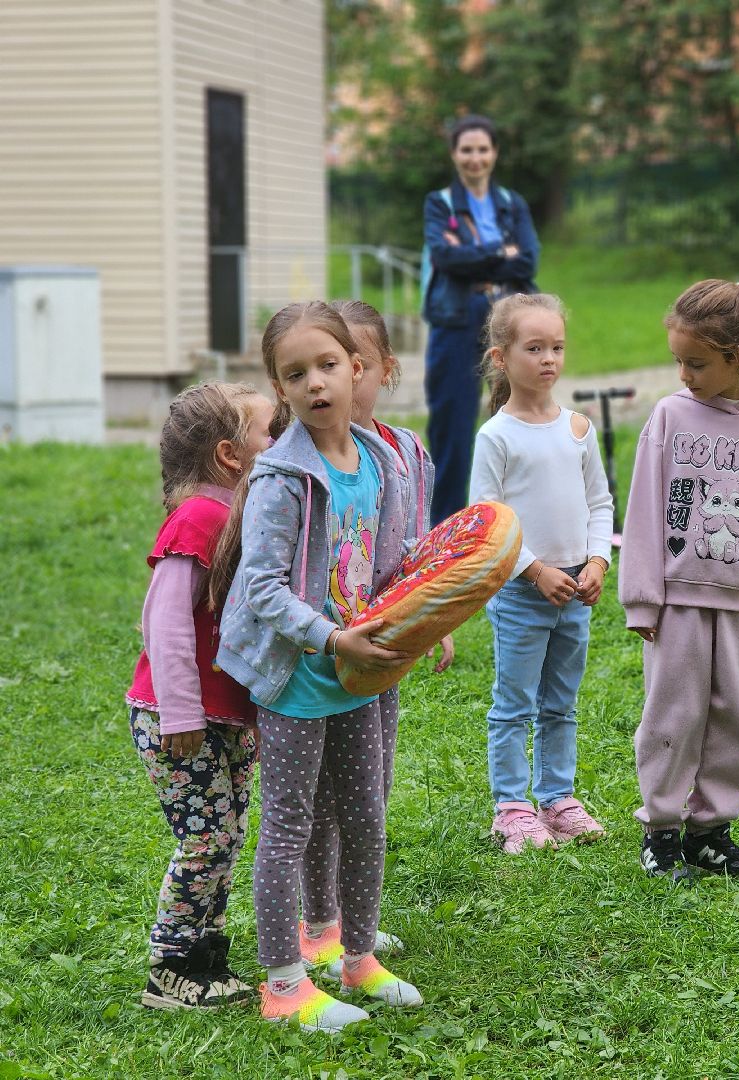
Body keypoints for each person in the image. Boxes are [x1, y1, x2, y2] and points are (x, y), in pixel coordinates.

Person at [213, 301, 423, 1031]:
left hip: (361, 677)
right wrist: (334, 642)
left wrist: (425, 619)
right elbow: (263, 587)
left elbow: (396, 560)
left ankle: (356, 956)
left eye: (327, 365)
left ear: (356, 368)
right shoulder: (280, 478)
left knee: (366, 819)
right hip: (300, 681)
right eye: (295, 374)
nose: (316, 384)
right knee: (291, 829)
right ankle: (282, 986)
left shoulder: (382, 458)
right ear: (280, 388)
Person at [619, 279, 739, 881]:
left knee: (735, 718)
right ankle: (661, 831)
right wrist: (643, 599)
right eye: (679, 361)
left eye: (697, 363)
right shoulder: (671, 416)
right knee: (671, 715)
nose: (684, 374)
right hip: (676, 602)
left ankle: (711, 831)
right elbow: (645, 509)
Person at [293, 300, 453, 976]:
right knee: (316, 801)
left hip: (381, 651)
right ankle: (318, 926)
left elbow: (413, 550)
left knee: (368, 788)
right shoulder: (298, 458)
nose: (340, 380)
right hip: (317, 656)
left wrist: (431, 620)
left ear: (382, 370)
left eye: (354, 363)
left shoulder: (405, 453)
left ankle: (354, 926)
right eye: (329, 362)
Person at [127, 382, 274, 1010]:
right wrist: (182, 710)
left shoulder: (240, 516)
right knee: (205, 837)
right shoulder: (201, 518)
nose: (280, 441)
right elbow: (162, 622)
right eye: (270, 432)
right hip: (178, 716)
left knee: (227, 832)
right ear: (230, 454)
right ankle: (170, 966)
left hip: (228, 718)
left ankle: (206, 954)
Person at [467, 293, 613, 853]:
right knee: (514, 703)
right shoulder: (496, 436)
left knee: (561, 701)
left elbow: (600, 503)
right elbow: (487, 521)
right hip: (524, 592)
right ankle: (512, 806)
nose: (549, 359)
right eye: (535, 348)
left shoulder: (577, 428)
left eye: (556, 347)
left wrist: (598, 559)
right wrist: (534, 572)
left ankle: (558, 798)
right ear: (502, 358)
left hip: (576, 589)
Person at [422, 114, 540, 527]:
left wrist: (471, 252)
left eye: (483, 149)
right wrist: (498, 253)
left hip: (508, 316)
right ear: (455, 154)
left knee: (515, 412)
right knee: (452, 422)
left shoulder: (511, 203)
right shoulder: (440, 203)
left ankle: (510, 518)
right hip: (456, 318)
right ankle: (447, 524)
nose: (475, 158)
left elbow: (528, 258)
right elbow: (443, 256)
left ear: (494, 153)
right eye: (467, 149)